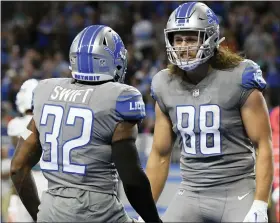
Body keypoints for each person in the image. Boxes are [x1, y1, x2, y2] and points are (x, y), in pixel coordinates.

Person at [10, 25, 161, 223]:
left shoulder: (46, 91)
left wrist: (40, 217)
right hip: (98, 212)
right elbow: (132, 180)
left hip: (50, 211)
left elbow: (17, 167)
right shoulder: (119, 97)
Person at [145, 2, 273, 222]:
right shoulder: (164, 84)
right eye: (178, 39)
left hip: (237, 190)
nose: (183, 46)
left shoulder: (239, 77)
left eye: (191, 38)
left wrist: (260, 204)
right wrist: (144, 210)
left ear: (210, 38)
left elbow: (263, 144)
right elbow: (160, 154)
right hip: (191, 192)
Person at [7, 78, 49, 222]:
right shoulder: (49, 120)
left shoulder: (16, 124)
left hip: (29, 177)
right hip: (49, 180)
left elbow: (20, 153)